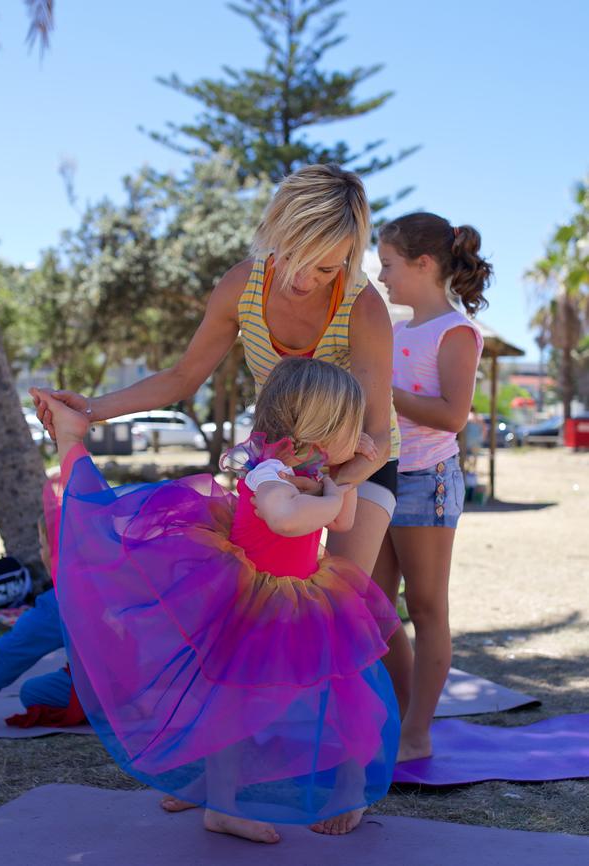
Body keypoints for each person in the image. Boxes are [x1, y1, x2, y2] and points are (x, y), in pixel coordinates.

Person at [32, 358, 400, 844]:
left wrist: (346, 474)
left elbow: (344, 522)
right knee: (233, 701)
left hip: (306, 592)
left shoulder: (310, 469)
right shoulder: (268, 471)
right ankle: (222, 804)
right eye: (353, 425)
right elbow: (286, 518)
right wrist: (331, 495)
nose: (362, 434)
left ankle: (349, 786)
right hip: (255, 598)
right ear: (321, 426)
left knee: (344, 685)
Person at [33, 163, 400, 582]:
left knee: (343, 599)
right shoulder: (242, 286)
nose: (305, 279)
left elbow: (378, 435)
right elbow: (183, 378)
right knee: (263, 595)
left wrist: (326, 489)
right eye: (296, 257)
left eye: (326, 268)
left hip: (356, 465)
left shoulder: (363, 305)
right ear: (274, 231)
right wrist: (92, 409)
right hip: (280, 464)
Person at [373, 213, 491, 762]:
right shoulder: (395, 331)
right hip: (381, 478)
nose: (381, 276)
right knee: (372, 607)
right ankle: (399, 715)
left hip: (428, 482)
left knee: (424, 608)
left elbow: (452, 416)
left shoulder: (457, 331)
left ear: (423, 264)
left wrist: (383, 393)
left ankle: (417, 733)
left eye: (389, 265)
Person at [0, 517, 85, 727]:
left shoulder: (60, 603)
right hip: (144, 679)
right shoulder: (123, 582)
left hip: (105, 689)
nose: (40, 552)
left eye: (42, 545)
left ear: (57, 554)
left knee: (31, 691)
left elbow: (16, 647)